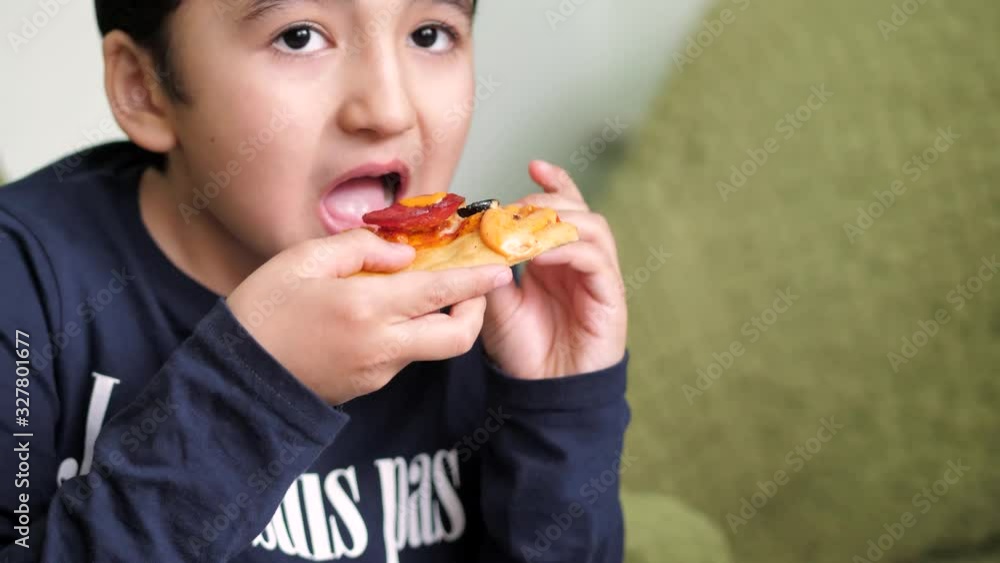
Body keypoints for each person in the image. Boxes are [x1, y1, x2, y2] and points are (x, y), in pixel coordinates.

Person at [0, 0, 630, 561]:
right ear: (145, 88)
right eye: (298, 36)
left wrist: (560, 412)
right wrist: (253, 391)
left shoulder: (494, 309)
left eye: (430, 33)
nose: (388, 110)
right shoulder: (23, 286)